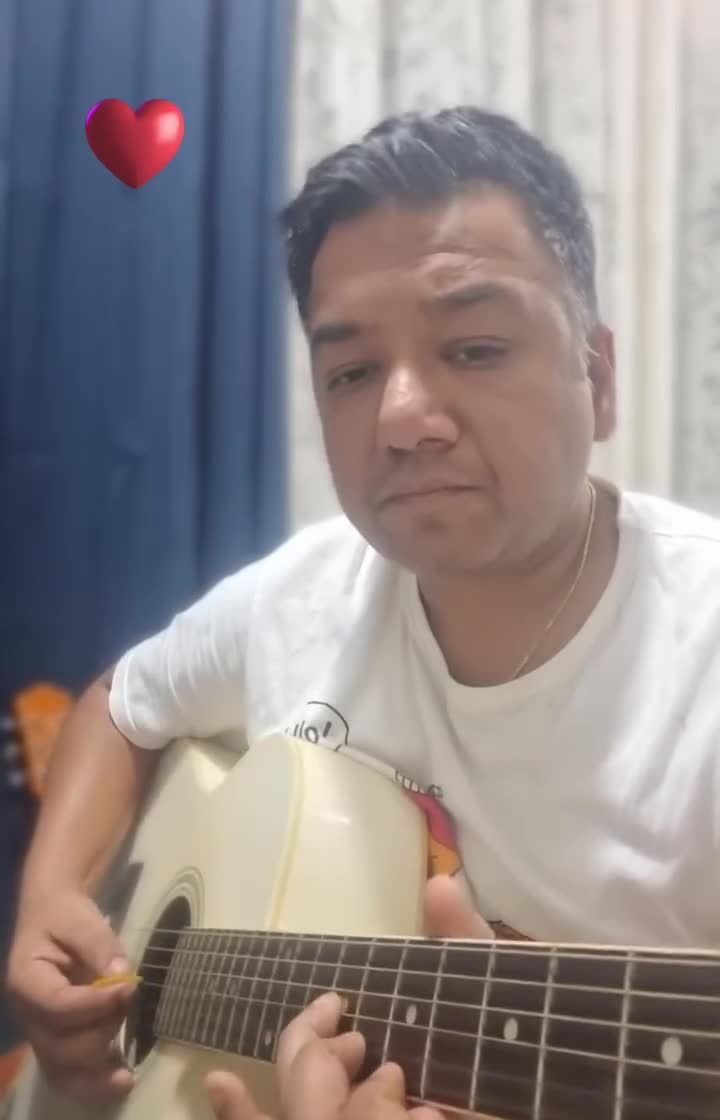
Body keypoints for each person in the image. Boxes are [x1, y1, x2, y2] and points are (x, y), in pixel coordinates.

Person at [7, 104, 720, 1109]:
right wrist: (51, 894)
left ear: (596, 380)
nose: (401, 418)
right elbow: (122, 703)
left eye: (474, 348)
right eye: (350, 371)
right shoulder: (302, 592)